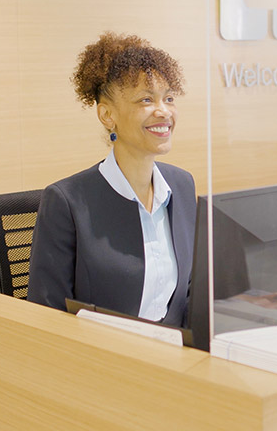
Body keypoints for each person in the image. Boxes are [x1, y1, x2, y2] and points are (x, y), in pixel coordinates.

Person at [28, 32, 196, 327]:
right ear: (107, 115)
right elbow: (46, 315)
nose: (164, 111)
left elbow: (193, 291)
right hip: (101, 359)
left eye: (169, 98)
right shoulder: (66, 201)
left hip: (175, 356)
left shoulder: (181, 186)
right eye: (146, 99)